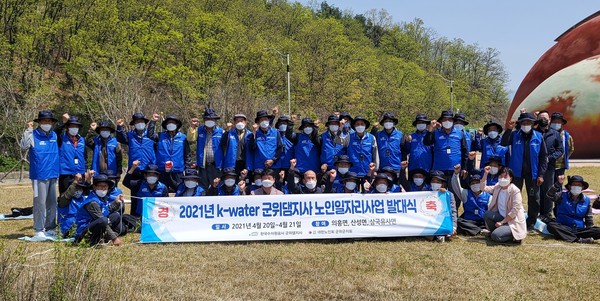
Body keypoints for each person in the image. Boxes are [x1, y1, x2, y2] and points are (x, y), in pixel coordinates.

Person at [501, 112, 548, 229]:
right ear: (520, 124)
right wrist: (508, 130)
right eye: (524, 123)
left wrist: (541, 175)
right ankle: (512, 219)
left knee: (534, 199)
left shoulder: (538, 137)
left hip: (533, 174)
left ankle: (531, 222)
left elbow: (543, 157)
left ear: (533, 124)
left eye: (529, 123)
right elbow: (503, 143)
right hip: (516, 173)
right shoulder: (514, 135)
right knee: (513, 197)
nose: (526, 125)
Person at [20, 110, 60, 240]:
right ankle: (38, 229)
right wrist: (28, 131)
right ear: (39, 122)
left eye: (49, 121)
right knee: (40, 203)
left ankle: (50, 228)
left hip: (53, 174)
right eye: (44, 121)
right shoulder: (33, 134)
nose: (46, 123)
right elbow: (24, 146)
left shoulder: (54, 135)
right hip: (39, 175)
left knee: (52, 203)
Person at [424, 110, 468, 207]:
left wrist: (464, 168)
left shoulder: (460, 134)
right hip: (439, 171)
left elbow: (465, 152)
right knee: (438, 195)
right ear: (441, 121)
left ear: (453, 121)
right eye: (444, 119)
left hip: (454, 171)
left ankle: (453, 217)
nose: (447, 121)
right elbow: (426, 142)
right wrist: (430, 129)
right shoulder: (436, 133)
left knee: (455, 196)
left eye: (449, 119)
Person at [545, 175, 600, 243]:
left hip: (579, 229)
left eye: (579, 185)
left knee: (598, 230)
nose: (576, 187)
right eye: (574, 184)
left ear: (582, 187)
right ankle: (578, 240)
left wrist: (590, 230)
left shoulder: (587, 200)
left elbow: (589, 219)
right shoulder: (561, 195)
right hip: (563, 227)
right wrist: (558, 184)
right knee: (551, 225)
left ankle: (567, 236)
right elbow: (549, 195)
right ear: (570, 186)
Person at [74, 174, 126, 246]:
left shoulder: (101, 198)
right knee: (103, 220)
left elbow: (106, 211)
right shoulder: (92, 202)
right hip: (84, 232)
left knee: (116, 215)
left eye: (105, 186)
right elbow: (101, 219)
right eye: (100, 186)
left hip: (95, 225)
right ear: (94, 187)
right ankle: (93, 240)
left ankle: (104, 236)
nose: (103, 188)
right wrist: (114, 238)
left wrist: (116, 202)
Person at [481, 166, 527, 243]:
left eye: (505, 176)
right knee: (487, 214)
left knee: (496, 236)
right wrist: (485, 174)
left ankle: (513, 236)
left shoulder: (515, 191)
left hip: (512, 221)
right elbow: (483, 188)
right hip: (501, 217)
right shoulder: (498, 187)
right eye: (500, 176)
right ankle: (496, 231)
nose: (502, 178)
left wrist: (502, 222)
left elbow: (515, 210)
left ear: (511, 178)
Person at [535, 110, 564, 222]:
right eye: (541, 118)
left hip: (549, 167)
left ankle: (547, 213)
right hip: (535, 166)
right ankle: (536, 212)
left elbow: (560, 150)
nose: (543, 120)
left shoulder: (555, 134)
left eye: (545, 118)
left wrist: (549, 158)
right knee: (536, 191)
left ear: (549, 120)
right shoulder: (533, 133)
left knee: (547, 190)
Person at [334, 116, 379, 180]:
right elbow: (338, 141)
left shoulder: (372, 138)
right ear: (354, 126)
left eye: (362, 124)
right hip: (352, 172)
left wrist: (375, 169)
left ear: (365, 125)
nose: (360, 126)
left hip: (368, 172)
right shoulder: (349, 137)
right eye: (357, 124)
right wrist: (340, 128)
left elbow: (375, 154)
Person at [451, 165, 491, 236]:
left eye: (477, 182)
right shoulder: (466, 193)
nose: (475, 184)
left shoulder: (488, 196)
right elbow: (456, 186)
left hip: (482, 222)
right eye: (472, 183)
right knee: (458, 221)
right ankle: (480, 231)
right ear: (469, 185)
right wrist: (456, 174)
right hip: (469, 221)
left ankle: (471, 230)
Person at [116, 112, 158, 178]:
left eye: (141, 121)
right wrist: (119, 127)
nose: (139, 123)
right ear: (134, 124)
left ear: (144, 123)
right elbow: (121, 138)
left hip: (149, 168)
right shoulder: (130, 135)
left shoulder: (151, 135)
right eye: (137, 122)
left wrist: (153, 121)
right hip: (134, 168)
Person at [156, 114, 191, 188]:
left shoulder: (183, 138)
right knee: (161, 192)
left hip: (177, 171)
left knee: (179, 191)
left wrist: (188, 169)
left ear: (177, 124)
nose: (171, 124)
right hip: (162, 170)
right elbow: (150, 135)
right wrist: (153, 122)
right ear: (166, 125)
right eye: (169, 123)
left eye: (173, 122)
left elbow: (187, 155)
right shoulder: (160, 136)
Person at [55, 114, 87, 194]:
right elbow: (55, 132)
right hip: (66, 173)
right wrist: (64, 122)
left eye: (76, 126)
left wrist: (85, 170)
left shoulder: (82, 140)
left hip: (80, 172)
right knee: (65, 196)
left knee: (79, 195)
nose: (74, 128)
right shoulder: (61, 138)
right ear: (67, 127)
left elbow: (84, 156)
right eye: (72, 126)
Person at [196, 108, 224, 189]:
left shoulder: (221, 132)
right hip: (203, 166)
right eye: (208, 119)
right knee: (202, 188)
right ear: (204, 120)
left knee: (217, 187)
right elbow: (190, 139)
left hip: (216, 166)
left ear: (215, 120)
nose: (210, 121)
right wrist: (193, 127)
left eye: (212, 119)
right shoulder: (199, 130)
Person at [57, 172, 92, 237]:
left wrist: (88, 181)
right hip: (68, 230)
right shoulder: (64, 200)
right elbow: (68, 194)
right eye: (76, 188)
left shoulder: (83, 198)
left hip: (81, 227)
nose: (78, 190)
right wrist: (75, 182)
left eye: (80, 188)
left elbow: (89, 193)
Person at [428, 170, 458, 242]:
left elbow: (453, 211)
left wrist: (453, 227)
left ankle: (441, 235)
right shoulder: (425, 193)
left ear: (442, 184)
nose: (435, 183)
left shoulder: (448, 195)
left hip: (443, 220)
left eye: (438, 182)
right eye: (433, 181)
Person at [376, 113, 407, 177]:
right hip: (382, 168)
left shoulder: (400, 135)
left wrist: (403, 167)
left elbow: (404, 151)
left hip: (396, 168)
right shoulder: (378, 135)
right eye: (386, 121)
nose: (388, 123)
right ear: (383, 123)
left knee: (396, 187)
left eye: (390, 121)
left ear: (394, 123)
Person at [551, 112, 574, 179]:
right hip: (548, 165)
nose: (556, 124)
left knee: (558, 185)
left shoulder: (566, 136)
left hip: (560, 166)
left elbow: (571, 149)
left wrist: (564, 157)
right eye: (554, 122)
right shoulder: (547, 134)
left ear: (562, 123)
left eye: (558, 122)